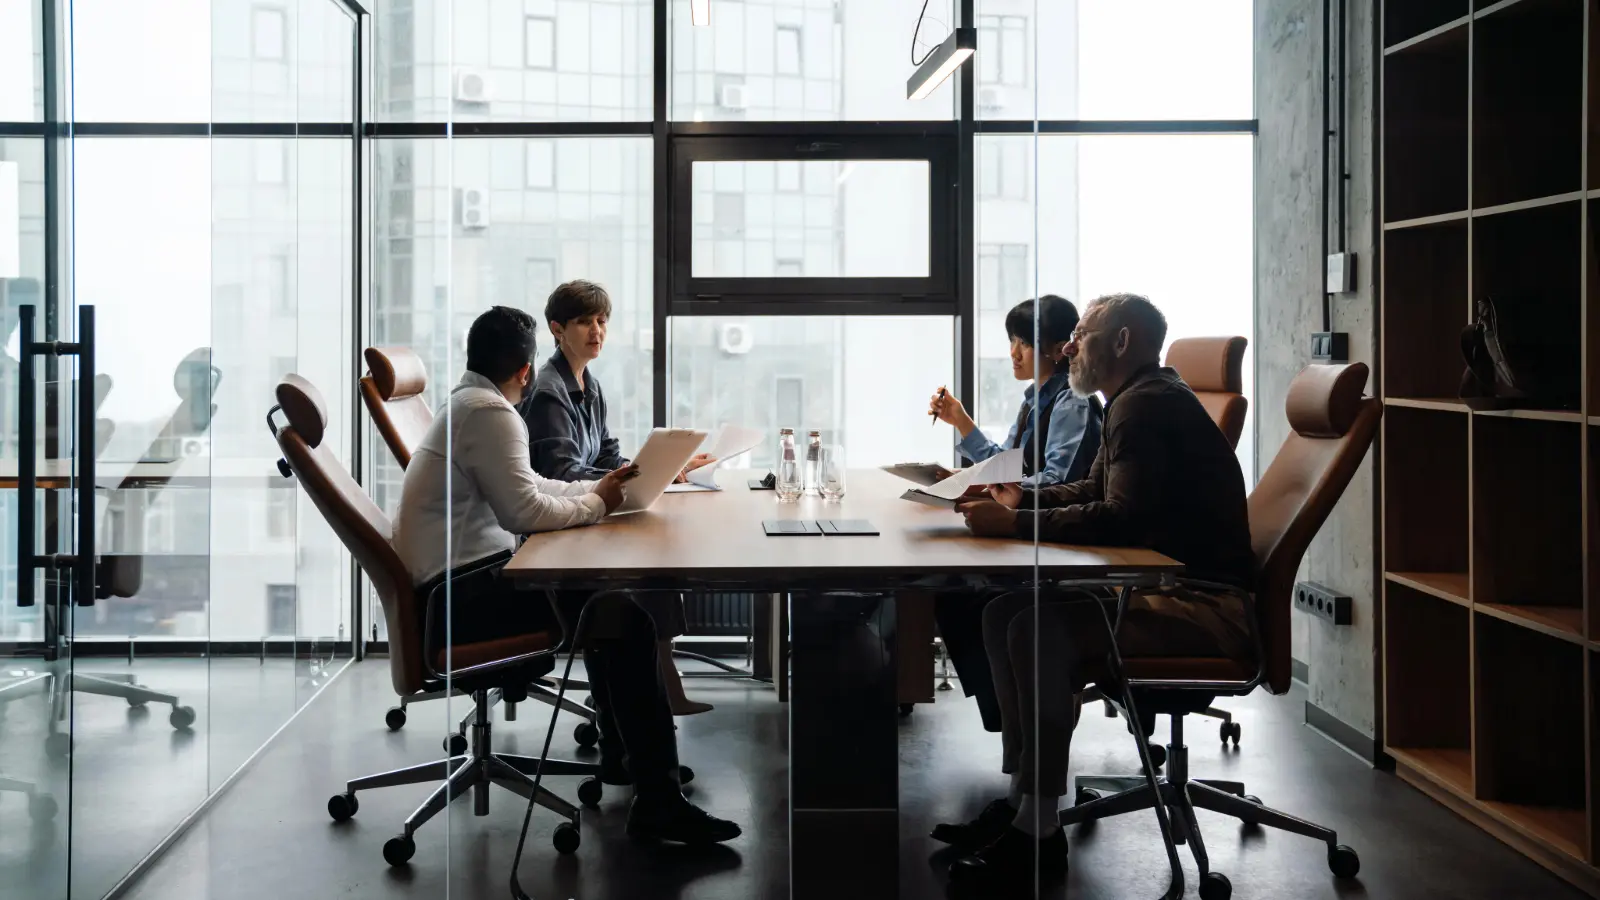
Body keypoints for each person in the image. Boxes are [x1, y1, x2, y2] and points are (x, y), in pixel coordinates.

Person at [932, 294, 1255, 886]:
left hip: (1206, 608)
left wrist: (1019, 523)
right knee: (1003, 611)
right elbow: (1091, 490)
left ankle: (1038, 833)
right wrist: (1019, 500)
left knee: (1034, 626)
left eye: (1082, 333)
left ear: (1123, 342)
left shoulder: (1144, 409)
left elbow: (1121, 517)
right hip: (1170, 594)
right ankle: (1019, 802)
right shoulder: (1139, 399)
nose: (1070, 346)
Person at [392, 305, 740, 846]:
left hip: (461, 584)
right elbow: (524, 512)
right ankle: (657, 799)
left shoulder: (468, 405)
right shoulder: (490, 413)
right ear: (526, 371)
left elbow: (531, 484)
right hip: (460, 598)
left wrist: (599, 491)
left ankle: (626, 761)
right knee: (623, 617)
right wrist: (598, 506)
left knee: (612, 608)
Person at [518, 280, 715, 716]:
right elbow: (560, 473)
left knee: (660, 560)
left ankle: (651, 683)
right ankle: (651, 688)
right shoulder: (549, 391)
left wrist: (662, 469)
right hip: (558, 534)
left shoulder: (590, 383)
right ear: (557, 329)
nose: (597, 331)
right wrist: (623, 479)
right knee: (651, 574)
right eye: (584, 321)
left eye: (602, 321)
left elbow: (607, 454)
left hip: (587, 518)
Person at [925, 295, 1104, 735]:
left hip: (1058, 536)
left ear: (1054, 347)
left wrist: (992, 486)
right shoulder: (1036, 400)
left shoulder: (1072, 403)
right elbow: (1011, 466)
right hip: (1032, 525)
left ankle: (1019, 717)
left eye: (1021, 342)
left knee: (964, 593)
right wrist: (963, 426)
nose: (1012, 353)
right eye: (1012, 341)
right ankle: (1010, 714)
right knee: (951, 590)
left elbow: (1057, 480)